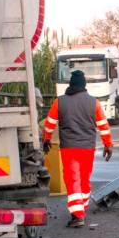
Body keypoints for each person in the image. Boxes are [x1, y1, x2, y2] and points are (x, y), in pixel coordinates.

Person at [42, 70, 113, 228]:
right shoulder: (93, 102)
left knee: (73, 180)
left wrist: (46, 140)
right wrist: (108, 145)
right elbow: (103, 126)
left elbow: (49, 124)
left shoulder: (60, 102)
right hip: (88, 148)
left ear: (71, 84)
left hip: (69, 148)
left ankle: (78, 215)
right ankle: (82, 208)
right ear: (84, 85)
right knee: (84, 180)